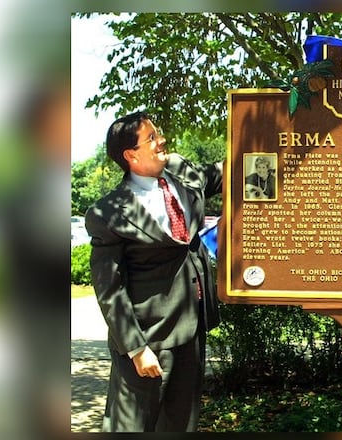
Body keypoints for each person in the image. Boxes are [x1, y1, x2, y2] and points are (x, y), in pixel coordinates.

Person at [85, 111, 224, 432]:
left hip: (191, 330)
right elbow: (110, 289)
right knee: (130, 426)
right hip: (148, 340)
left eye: (158, 133)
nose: (161, 140)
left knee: (180, 425)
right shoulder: (108, 213)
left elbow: (222, 173)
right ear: (131, 155)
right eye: (151, 138)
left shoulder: (181, 172)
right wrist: (136, 348)